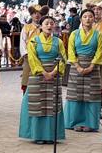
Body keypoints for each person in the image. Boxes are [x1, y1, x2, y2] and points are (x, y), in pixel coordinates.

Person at [18, 16, 66, 144]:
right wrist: (43, 72)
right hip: (38, 74)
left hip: (54, 75)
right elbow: (32, 58)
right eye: (46, 23)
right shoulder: (34, 41)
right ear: (40, 26)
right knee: (36, 103)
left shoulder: (58, 42)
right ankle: (37, 134)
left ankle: (50, 135)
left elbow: (63, 59)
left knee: (52, 104)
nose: (49, 26)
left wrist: (54, 72)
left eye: (52, 23)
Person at [64, 8, 102, 133]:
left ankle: (89, 123)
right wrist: (77, 66)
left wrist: (91, 66)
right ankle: (74, 121)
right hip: (76, 66)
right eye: (85, 16)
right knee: (75, 94)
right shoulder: (74, 34)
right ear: (81, 19)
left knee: (91, 95)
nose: (88, 19)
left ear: (94, 19)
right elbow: (70, 51)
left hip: (92, 66)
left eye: (90, 17)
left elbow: (100, 51)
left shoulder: (99, 35)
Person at [19, 5, 48, 91]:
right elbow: (23, 41)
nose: (37, 15)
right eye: (35, 13)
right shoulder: (26, 27)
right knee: (27, 80)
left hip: (42, 57)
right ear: (31, 15)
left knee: (41, 79)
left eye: (39, 13)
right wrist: (25, 54)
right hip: (29, 57)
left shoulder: (45, 27)